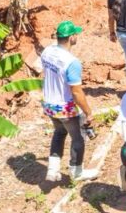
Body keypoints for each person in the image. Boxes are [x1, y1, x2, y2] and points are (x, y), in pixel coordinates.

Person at [42, 20, 98, 183]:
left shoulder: (47, 51)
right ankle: (76, 171)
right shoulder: (71, 62)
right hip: (64, 106)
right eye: (76, 34)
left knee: (59, 133)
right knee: (78, 137)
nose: (77, 36)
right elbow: (76, 92)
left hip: (48, 103)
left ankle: (53, 170)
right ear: (71, 37)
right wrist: (88, 112)